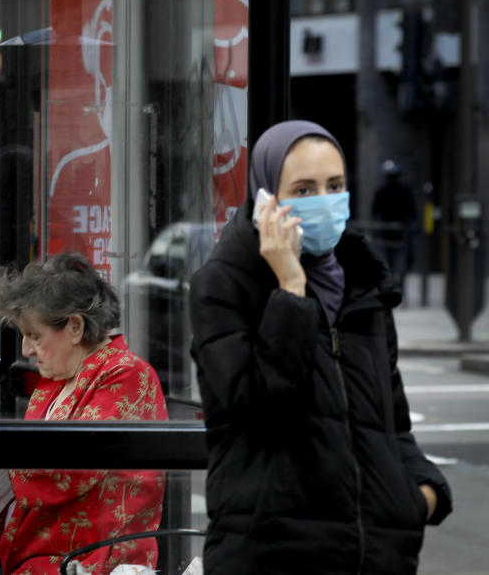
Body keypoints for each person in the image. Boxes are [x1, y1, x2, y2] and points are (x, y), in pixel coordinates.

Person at [188, 121, 452, 574]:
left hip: (375, 559)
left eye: (335, 186)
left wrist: (422, 495)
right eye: (304, 190)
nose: (324, 202)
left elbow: (393, 424)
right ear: (267, 197)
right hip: (273, 558)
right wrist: (290, 288)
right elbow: (258, 411)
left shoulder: (364, 285)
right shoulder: (225, 284)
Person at [0, 252, 168, 575]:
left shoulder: (127, 374)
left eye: (35, 336)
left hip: (85, 563)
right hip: (34, 557)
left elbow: (70, 465)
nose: (26, 350)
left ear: (74, 327)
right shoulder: (53, 380)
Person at [372, 159, 418, 292]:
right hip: (389, 232)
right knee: (389, 260)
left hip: (402, 232)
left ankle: (397, 282)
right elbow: (375, 212)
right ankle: (391, 284)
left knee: (403, 260)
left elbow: (412, 211)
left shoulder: (404, 191)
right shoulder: (382, 192)